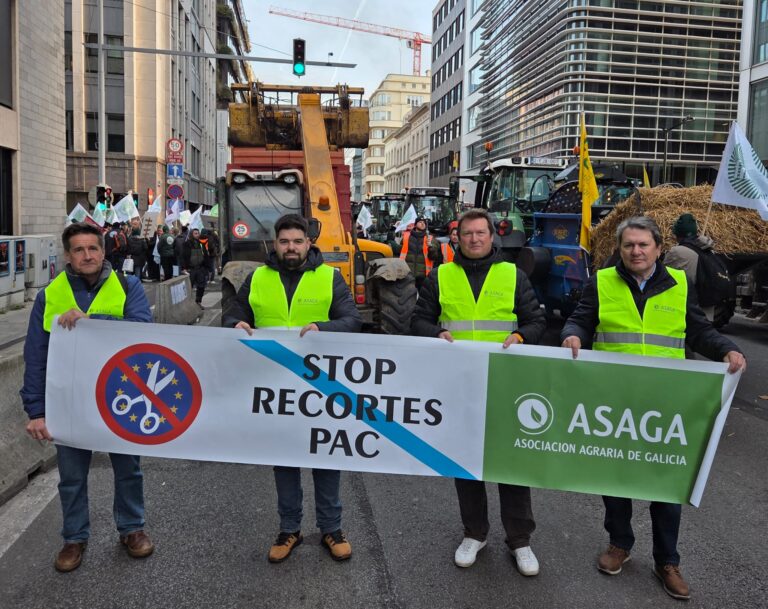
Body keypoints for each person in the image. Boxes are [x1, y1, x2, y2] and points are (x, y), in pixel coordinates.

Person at [560, 215, 746, 601]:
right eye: (629, 245)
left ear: (659, 248)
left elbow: (697, 330)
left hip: (665, 402)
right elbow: (580, 321)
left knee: (665, 482)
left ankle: (667, 560)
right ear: (620, 248)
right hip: (615, 399)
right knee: (615, 478)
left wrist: (727, 349)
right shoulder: (602, 282)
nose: (636, 251)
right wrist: (572, 337)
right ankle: (619, 544)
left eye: (644, 244)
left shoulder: (679, 284)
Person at [411, 209, 546, 576]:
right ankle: (475, 533)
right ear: (457, 238)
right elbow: (419, 319)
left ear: (491, 237)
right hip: (459, 384)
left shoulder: (513, 275)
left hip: (505, 383)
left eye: (480, 233)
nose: (473, 239)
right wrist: (434, 334)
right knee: (466, 463)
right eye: (466, 234)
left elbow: (536, 321)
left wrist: (519, 336)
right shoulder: (441, 276)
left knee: (510, 463)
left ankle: (520, 540)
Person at [223, 213, 362, 564]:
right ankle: (289, 529)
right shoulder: (257, 278)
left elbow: (351, 320)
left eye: (297, 241)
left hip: (319, 386)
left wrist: (323, 328)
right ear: (275, 244)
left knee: (325, 457)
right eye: (284, 241)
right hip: (274, 387)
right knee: (283, 459)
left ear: (308, 244)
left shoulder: (329, 278)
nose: (291, 247)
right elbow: (233, 313)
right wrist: (234, 322)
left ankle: (332, 528)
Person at [20, 222, 155, 572]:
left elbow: (142, 329)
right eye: (78, 250)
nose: (87, 255)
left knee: (129, 469)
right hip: (70, 400)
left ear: (104, 250)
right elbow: (36, 355)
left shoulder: (129, 285)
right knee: (72, 476)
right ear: (68, 255)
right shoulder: (49, 295)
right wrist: (36, 411)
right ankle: (74, 537)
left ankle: (131, 529)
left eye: (92, 248)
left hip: (121, 397)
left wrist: (91, 319)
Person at [664, 213, 716, 321]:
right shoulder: (709, 250)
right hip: (706, 311)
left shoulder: (676, 252)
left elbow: (661, 275)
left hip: (685, 311)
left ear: (677, 234)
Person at [399, 216, 439, 289]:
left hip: (423, 276)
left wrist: (431, 247)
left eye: (424, 223)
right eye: (420, 222)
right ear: (415, 225)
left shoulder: (430, 239)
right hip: (407, 274)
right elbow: (400, 251)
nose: (422, 224)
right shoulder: (406, 236)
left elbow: (434, 257)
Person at [182, 228, 208, 306]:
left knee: (201, 286)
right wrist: (184, 268)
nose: (197, 235)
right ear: (191, 234)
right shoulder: (187, 244)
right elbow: (183, 257)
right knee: (189, 286)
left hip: (200, 268)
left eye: (198, 233)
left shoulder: (201, 243)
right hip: (191, 269)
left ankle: (198, 301)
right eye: (195, 233)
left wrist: (206, 267)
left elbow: (205, 255)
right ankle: (188, 303)